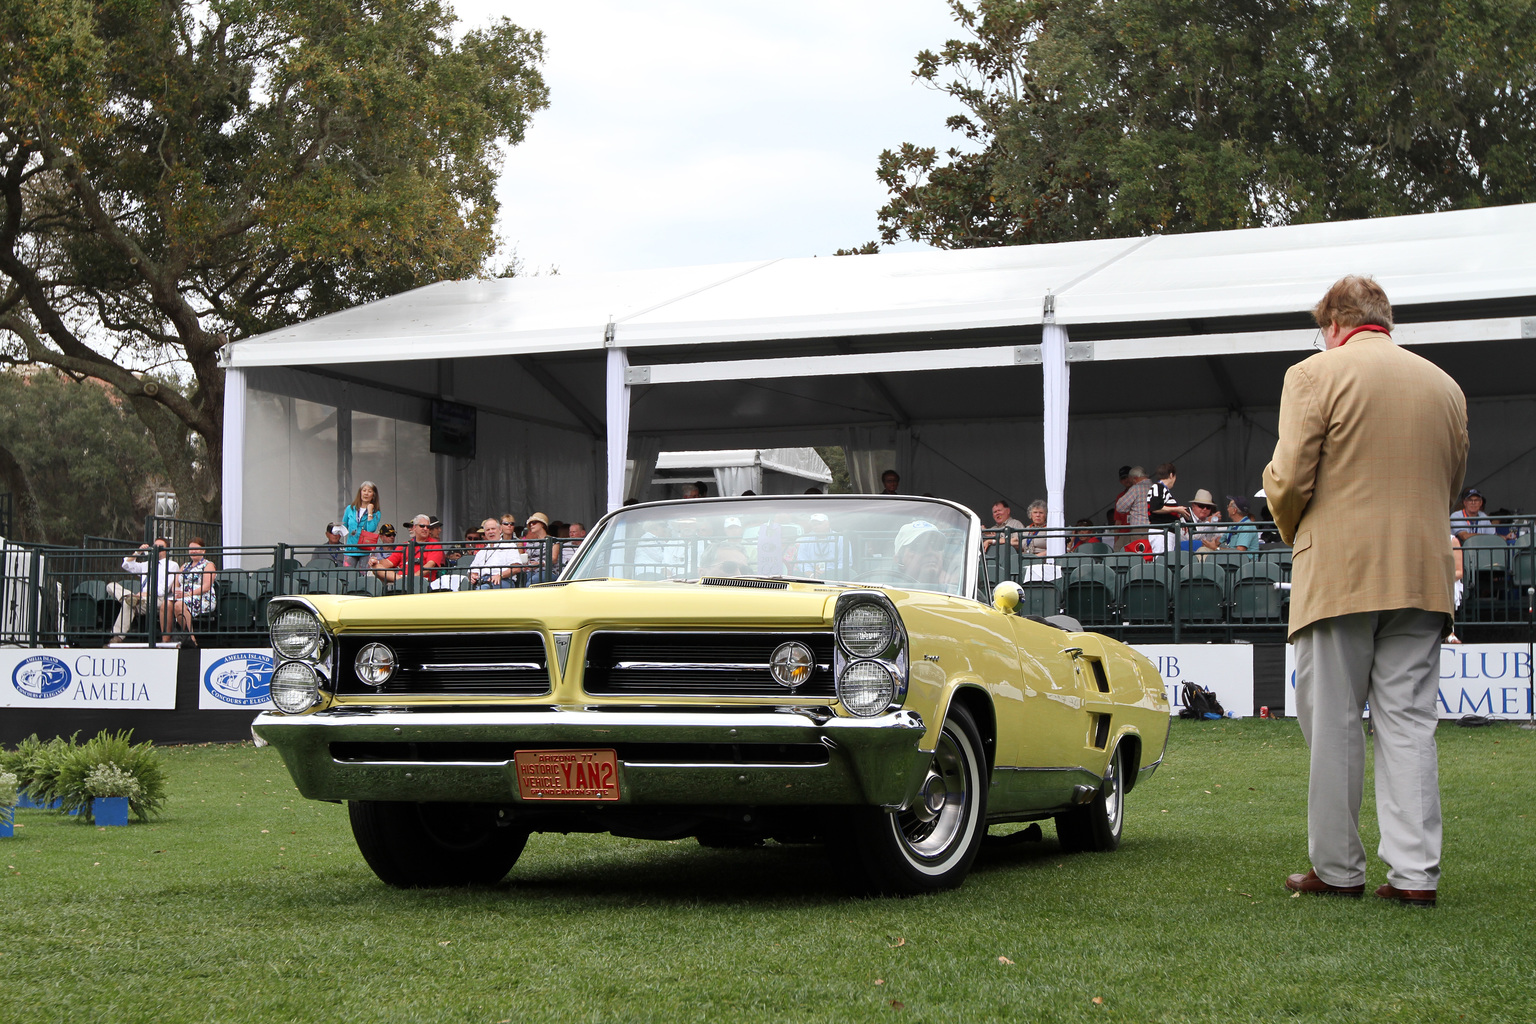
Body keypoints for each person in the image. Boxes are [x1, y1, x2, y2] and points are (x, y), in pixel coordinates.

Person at [1264, 275, 1467, 909]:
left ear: (1332, 324)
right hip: (1421, 572)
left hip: (1340, 574)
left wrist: (1291, 521)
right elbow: (1451, 481)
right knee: (1409, 725)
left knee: (1333, 725)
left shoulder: (1313, 375)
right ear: (1383, 319)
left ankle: (1338, 867)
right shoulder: (1445, 386)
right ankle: (1415, 875)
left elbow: (1291, 478)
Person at [112, 539, 180, 644]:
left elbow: (163, 589)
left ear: (166, 550)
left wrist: (146, 593)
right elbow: (126, 565)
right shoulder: (146, 564)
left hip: (157, 599)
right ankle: (128, 597)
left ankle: (118, 637)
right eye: (155, 546)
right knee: (111, 586)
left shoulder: (172, 565)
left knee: (128, 604)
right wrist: (138, 552)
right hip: (141, 600)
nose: (157, 549)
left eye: (160, 547)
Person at [169, 538, 217, 645]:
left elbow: (206, 587)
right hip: (182, 596)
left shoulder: (208, 565)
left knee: (179, 605)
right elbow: (176, 583)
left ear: (203, 551)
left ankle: (190, 637)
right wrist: (176, 592)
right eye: (191, 549)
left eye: (196, 548)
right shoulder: (185, 566)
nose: (193, 551)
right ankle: (166, 638)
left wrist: (187, 594)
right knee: (166, 604)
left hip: (203, 597)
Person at [467, 518, 524, 589]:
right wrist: (472, 576)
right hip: (483, 581)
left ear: (500, 530)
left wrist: (500, 575)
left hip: (503, 580)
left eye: (493, 529)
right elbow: (473, 570)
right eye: (488, 530)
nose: (490, 532)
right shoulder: (481, 552)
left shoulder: (509, 546)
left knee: (481, 590)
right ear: (485, 533)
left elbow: (516, 568)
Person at [1146, 463, 1187, 554]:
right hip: (1161, 532)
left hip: (1166, 532)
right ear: (1171, 475)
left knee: (1166, 560)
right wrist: (1177, 509)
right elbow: (1155, 507)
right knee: (1162, 560)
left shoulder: (1162, 490)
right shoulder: (1157, 487)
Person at [342, 482, 383, 567]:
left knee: (364, 578)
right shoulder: (350, 509)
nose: (366, 493)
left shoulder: (376, 512)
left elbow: (371, 529)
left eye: (369, 491)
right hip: (350, 549)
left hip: (365, 550)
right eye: (364, 490)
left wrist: (370, 512)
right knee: (347, 576)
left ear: (373, 495)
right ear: (360, 492)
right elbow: (344, 526)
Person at [1114, 467, 1152, 550]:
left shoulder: (1136, 488)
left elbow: (1120, 507)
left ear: (1134, 479)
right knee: (1153, 553)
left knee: (1140, 555)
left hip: (1140, 529)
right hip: (1156, 528)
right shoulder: (1156, 487)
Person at [520, 512, 562, 584]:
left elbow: (554, 559)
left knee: (531, 583)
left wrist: (539, 564)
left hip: (549, 572)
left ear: (542, 524)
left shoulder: (553, 540)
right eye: (530, 523)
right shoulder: (531, 542)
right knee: (523, 582)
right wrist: (526, 565)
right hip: (532, 572)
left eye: (534, 522)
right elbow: (527, 558)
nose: (531, 525)